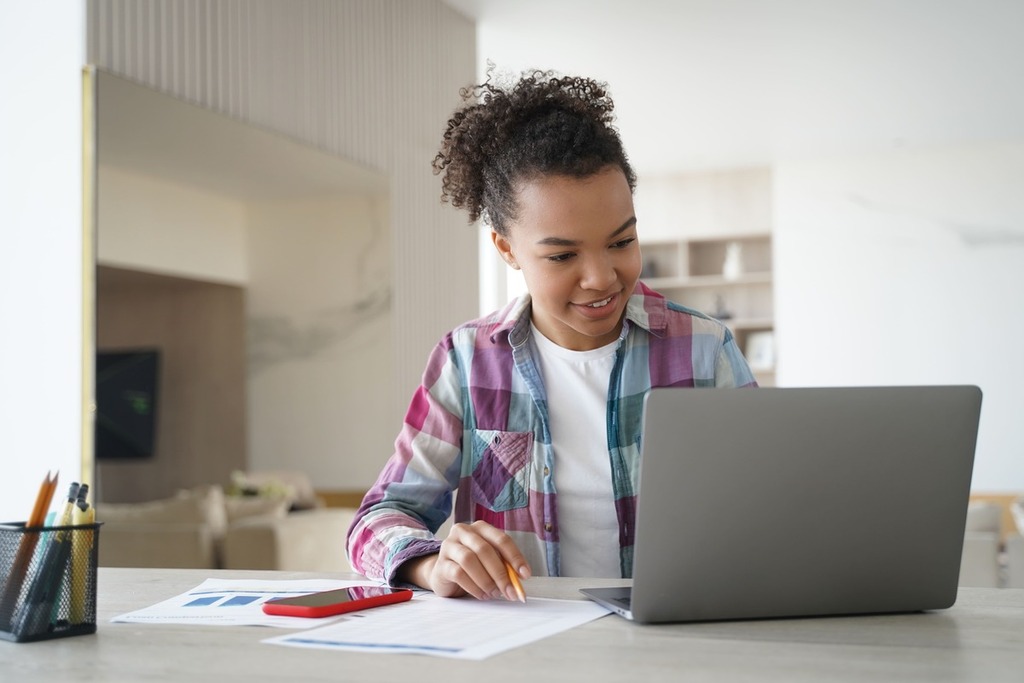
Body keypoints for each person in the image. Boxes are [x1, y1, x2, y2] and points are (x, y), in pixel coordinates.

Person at [346, 69, 757, 602]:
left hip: (676, 640)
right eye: (563, 255)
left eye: (621, 241)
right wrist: (432, 564)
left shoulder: (706, 350)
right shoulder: (466, 362)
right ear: (507, 249)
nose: (602, 278)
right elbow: (376, 520)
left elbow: (765, 507)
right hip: (526, 646)